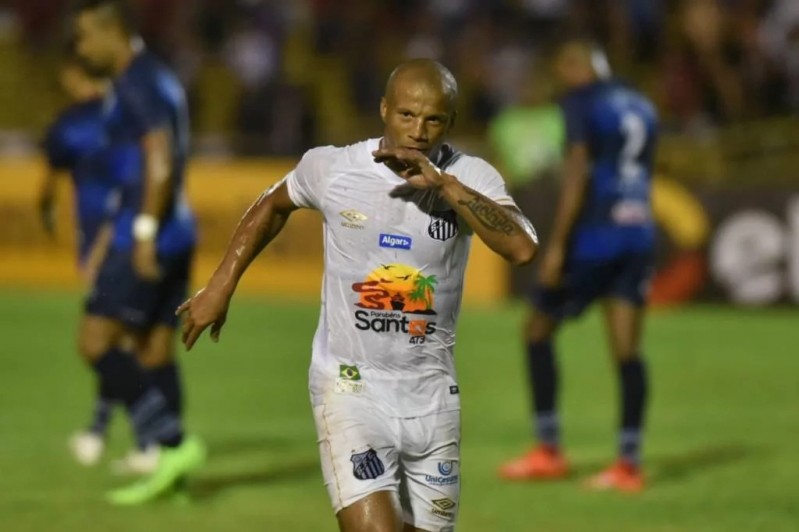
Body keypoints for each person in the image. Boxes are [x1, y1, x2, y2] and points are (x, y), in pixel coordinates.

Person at [178, 59, 538, 531]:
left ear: (450, 121)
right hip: (349, 386)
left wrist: (446, 186)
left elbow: (522, 248)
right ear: (384, 109)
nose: (418, 131)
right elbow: (273, 204)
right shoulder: (333, 167)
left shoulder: (471, 175)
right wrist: (222, 283)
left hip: (432, 393)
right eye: (407, 115)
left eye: (433, 119)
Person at [498, 41, 658, 492]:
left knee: (536, 330)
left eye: (562, 68)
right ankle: (629, 464)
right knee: (627, 350)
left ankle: (547, 450)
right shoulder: (641, 104)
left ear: (576, 66)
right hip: (638, 232)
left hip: (595, 238)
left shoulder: (582, 103)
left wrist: (557, 246)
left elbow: (578, 172)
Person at [73, 0, 204, 504]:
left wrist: (145, 230)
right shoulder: (158, 76)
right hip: (179, 231)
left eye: (86, 36)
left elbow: (159, 155)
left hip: (146, 234)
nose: (82, 48)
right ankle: (166, 468)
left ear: (113, 32)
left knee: (95, 342)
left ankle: (173, 442)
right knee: (153, 349)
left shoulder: (136, 81)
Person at [39, 54, 118, 466]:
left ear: (75, 73)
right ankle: (115, 433)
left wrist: (97, 242)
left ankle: (152, 435)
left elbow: (49, 185)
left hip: (113, 243)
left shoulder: (74, 124)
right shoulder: (131, 114)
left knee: (97, 342)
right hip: (131, 237)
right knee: (124, 341)